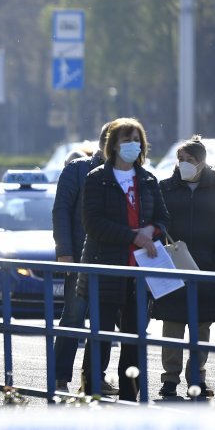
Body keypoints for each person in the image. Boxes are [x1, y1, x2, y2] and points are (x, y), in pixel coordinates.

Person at [77, 117, 169, 401]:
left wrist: (151, 231)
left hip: (140, 271)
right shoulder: (97, 179)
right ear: (113, 144)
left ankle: (130, 396)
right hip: (106, 268)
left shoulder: (148, 179)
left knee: (134, 338)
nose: (133, 145)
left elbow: (163, 219)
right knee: (100, 336)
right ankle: (93, 392)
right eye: (126, 139)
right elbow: (93, 223)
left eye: (137, 139)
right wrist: (133, 236)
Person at [152, 136, 215, 399]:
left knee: (201, 327)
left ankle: (197, 378)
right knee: (172, 326)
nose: (184, 165)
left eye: (190, 160)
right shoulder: (165, 188)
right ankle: (169, 380)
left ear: (202, 162)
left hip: (207, 267)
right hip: (173, 266)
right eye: (181, 160)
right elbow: (156, 222)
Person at [52, 123, 113, 394]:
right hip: (80, 258)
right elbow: (61, 212)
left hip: (115, 261)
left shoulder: (130, 175)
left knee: (105, 323)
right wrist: (65, 252)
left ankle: (93, 379)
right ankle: (59, 377)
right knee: (73, 317)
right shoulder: (76, 170)